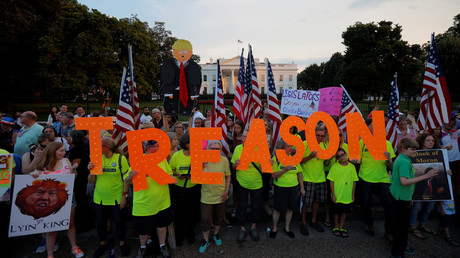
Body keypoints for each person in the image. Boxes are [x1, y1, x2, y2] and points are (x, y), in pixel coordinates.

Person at [30, 142, 84, 258]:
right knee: (51, 227)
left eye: (64, 150)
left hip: (68, 197)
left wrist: (73, 170)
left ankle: (74, 246)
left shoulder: (66, 161)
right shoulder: (41, 166)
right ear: (52, 151)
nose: (64, 153)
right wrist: (34, 174)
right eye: (61, 151)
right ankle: (50, 255)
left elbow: (73, 179)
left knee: (70, 223)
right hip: (50, 201)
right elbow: (34, 180)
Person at [389, 138, 438, 257]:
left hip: (401, 196)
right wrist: (426, 175)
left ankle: (402, 247)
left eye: (416, 149)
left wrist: (410, 196)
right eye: (413, 149)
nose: (415, 151)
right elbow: (404, 182)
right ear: (403, 149)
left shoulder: (402, 159)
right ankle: (396, 253)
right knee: (400, 228)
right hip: (400, 198)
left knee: (402, 226)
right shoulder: (404, 162)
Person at [124, 140, 173, 258]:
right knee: (143, 230)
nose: (160, 149)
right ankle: (142, 248)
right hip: (143, 203)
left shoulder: (162, 160)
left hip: (162, 201)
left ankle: (162, 246)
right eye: (157, 146)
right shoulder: (138, 160)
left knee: (162, 226)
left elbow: (170, 174)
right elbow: (126, 179)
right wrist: (129, 177)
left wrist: (171, 178)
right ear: (149, 148)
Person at [87, 137, 130, 257]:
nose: (96, 148)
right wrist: (90, 171)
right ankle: (102, 243)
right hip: (99, 197)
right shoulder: (97, 159)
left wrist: (124, 196)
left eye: (99, 146)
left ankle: (122, 243)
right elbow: (91, 181)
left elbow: (126, 180)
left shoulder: (120, 159)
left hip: (116, 196)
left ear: (107, 147)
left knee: (119, 221)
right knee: (100, 222)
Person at [358, 118, 395, 239]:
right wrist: (355, 160)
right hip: (365, 178)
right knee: (366, 205)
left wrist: (389, 159)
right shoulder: (361, 142)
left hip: (383, 179)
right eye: (372, 126)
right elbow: (357, 159)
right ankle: (368, 224)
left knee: (389, 207)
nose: (374, 129)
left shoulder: (387, 143)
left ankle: (389, 231)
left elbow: (391, 166)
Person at [231, 128, 263, 243]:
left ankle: (253, 227)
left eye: (245, 137)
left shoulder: (259, 148)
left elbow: (264, 167)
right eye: (243, 136)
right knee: (242, 206)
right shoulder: (238, 148)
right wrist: (236, 164)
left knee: (256, 206)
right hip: (242, 182)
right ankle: (242, 228)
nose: (242, 138)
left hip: (257, 183)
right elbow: (233, 167)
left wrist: (269, 162)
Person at [198, 141, 231, 253]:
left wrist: (227, 190)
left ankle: (216, 234)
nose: (215, 151)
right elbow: (196, 176)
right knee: (205, 219)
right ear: (208, 149)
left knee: (218, 217)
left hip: (220, 195)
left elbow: (228, 176)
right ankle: (206, 239)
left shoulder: (224, 160)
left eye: (217, 149)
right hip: (206, 196)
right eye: (212, 148)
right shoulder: (202, 160)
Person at [169, 133, 201, 246]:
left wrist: (193, 175)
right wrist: (178, 174)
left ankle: (190, 234)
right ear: (186, 144)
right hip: (179, 189)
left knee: (192, 214)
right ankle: (179, 237)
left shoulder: (198, 155)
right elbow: (171, 169)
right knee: (179, 215)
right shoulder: (176, 155)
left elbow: (203, 169)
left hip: (194, 188)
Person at [269, 139, 305, 239]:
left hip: (293, 188)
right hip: (281, 188)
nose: (291, 148)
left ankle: (287, 228)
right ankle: (274, 228)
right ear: (282, 148)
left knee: (290, 209)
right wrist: (285, 170)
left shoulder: (294, 158)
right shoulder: (276, 159)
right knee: (277, 210)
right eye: (288, 146)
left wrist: (302, 188)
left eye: (291, 146)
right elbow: (273, 175)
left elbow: (299, 174)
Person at [299, 126, 331, 235]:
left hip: (320, 179)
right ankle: (303, 223)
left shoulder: (325, 145)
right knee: (306, 203)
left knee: (317, 203)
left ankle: (313, 221)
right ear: (313, 134)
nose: (320, 138)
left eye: (322, 136)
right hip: (308, 178)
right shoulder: (305, 144)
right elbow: (299, 161)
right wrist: (309, 157)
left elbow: (326, 164)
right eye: (318, 135)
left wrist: (329, 159)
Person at [408, 133, 440, 239]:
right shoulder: (415, 153)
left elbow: (442, 167)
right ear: (422, 141)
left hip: (432, 186)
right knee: (417, 206)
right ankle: (412, 226)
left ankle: (422, 224)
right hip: (417, 185)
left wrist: (447, 171)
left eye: (432, 141)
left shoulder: (437, 154)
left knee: (430, 206)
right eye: (428, 140)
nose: (431, 143)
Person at [327, 148, 358, 237]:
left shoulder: (352, 167)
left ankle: (341, 226)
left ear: (346, 154)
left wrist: (353, 194)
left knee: (345, 211)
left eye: (342, 155)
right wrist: (333, 194)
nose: (342, 157)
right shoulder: (335, 167)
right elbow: (331, 181)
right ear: (337, 158)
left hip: (347, 194)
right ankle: (336, 226)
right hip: (338, 193)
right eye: (339, 156)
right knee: (336, 211)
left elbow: (354, 181)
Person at [67, 130, 92, 232]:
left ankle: (82, 225)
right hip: (80, 178)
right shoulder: (78, 147)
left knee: (80, 200)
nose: (67, 138)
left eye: (69, 136)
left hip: (79, 178)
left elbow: (74, 165)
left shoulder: (77, 149)